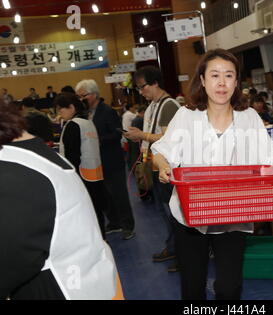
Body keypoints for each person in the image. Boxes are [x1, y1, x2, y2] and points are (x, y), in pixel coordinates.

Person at [151, 48, 273, 300]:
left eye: (229, 76)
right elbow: (161, 151)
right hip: (190, 213)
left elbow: (268, 151)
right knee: (193, 287)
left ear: (236, 82)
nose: (221, 82)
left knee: (229, 287)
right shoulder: (187, 116)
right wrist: (163, 165)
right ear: (203, 80)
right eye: (214, 75)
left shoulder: (248, 117)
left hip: (233, 212)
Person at [0, 100, 121, 300]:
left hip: (64, 288)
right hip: (88, 279)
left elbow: (10, 263)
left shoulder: (17, 173)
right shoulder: (30, 156)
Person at [124, 66, 180, 272]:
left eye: (143, 86)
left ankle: (183, 255)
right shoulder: (153, 106)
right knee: (164, 212)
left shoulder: (169, 106)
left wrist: (142, 136)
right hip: (156, 165)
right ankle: (173, 247)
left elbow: (168, 138)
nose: (141, 91)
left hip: (168, 167)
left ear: (155, 83)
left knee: (173, 213)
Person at [75, 79, 135, 240]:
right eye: (78, 96)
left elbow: (117, 133)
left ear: (94, 94)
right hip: (96, 162)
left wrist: (97, 139)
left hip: (112, 160)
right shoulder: (85, 113)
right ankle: (114, 222)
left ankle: (128, 225)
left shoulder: (107, 111)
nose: (80, 99)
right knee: (105, 194)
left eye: (83, 96)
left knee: (119, 194)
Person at [55, 92, 107, 239]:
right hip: (95, 174)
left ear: (71, 107)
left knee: (87, 214)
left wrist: (69, 178)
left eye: (61, 109)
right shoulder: (88, 122)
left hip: (81, 176)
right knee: (97, 212)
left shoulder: (73, 125)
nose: (59, 113)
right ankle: (102, 240)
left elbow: (72, 156)